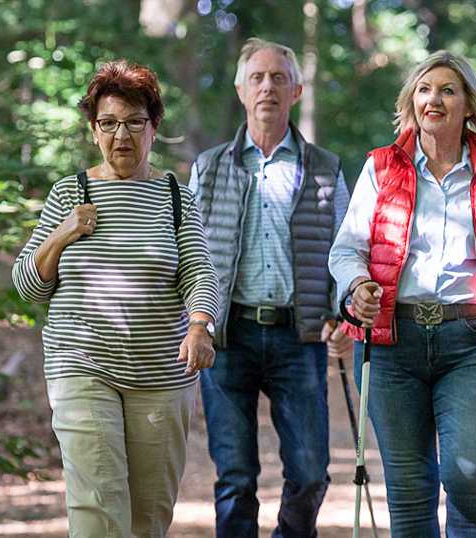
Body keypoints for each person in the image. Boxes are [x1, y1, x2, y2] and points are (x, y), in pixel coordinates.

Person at [328, 50, 476, 537]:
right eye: (425, 89)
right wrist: (357, 284)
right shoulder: (382, 168)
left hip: (470, 340)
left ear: (468, 104)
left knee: (468, 473)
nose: (435, 98)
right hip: (391, 341)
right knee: (409, 486)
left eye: (448, 90)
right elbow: (346, 251)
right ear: (412, 101)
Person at [10, 60, 219, 538]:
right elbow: (28, 284)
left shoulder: (175, 197)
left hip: (160, 374)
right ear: (93, 129)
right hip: (82, 366)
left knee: (148, 518)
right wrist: (62, 235)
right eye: (108, 123)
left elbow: (199, 270)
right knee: (99, 512)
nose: (120, 135)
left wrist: (200, 325)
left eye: (133, 123)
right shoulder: (70, 193)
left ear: (153, 127)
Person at [187, 37, 353, 538]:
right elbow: (192, 254)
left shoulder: (326, 169)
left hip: (296, 338)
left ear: (296, 90)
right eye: (257, 78)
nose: (267, 87)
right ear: (241, 90)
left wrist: (343, 310)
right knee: (235, 479)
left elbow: (346, 253)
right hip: (228, 335)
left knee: (308, 473)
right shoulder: (209, 167)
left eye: (278, 78)